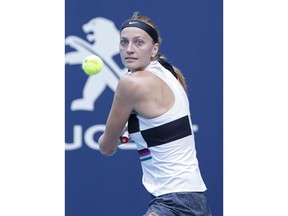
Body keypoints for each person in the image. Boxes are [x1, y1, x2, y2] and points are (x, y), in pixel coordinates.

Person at [98, 11, 212, 216]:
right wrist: (131, 128)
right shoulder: (167, 71)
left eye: (139, 42)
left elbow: (107, 147)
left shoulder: (130, 83)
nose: (129, 49)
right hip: (195, 200)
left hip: (173, 204)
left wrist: (111, 138)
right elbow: (159, 123)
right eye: (124, 42)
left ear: (154, 48)